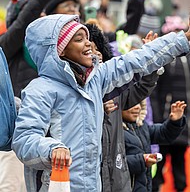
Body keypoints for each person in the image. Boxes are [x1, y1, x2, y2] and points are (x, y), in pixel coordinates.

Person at [12, 13, 190, 192]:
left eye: (87, 38)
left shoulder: (96, 79)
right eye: (79, 39)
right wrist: (52, 149)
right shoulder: (40, 89)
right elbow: (24, 140)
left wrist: (183, 39)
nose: (88, 43)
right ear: (60, 49)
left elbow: (135, 60)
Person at [0, 0, 58, 191]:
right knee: (11, 186)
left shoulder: (46, 51)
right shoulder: (8, 44)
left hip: (44, 130)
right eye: (32, 11)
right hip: (16, 130)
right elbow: (23, 23)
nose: (39, 16)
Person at [85, 23, 159, 192]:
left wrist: (152, 63)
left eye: (98, 49)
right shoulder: (72, 89)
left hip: (118, 180)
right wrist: (99, 111)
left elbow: (140, 89)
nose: (96, 54)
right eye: (90, 48)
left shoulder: (114, 88)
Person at [151, 15, 189, 192]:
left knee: (179, 164)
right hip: (164, 120)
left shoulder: (187, 58)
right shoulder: (164, 59)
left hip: (183, 121)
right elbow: (154, 92)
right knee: (158, 163)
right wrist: (158, 118)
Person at [122, 100, 187, 192]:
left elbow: (163, 133)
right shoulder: (113, 132)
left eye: (139, 103)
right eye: (131, 103)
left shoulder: (142, 126)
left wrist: (175, 122)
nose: (137, 107)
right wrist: (142, 160)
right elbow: (114, 163)